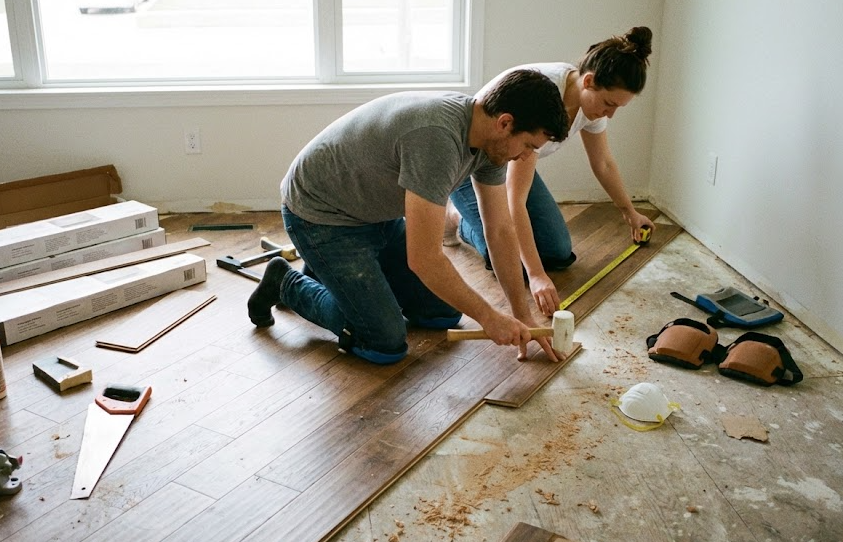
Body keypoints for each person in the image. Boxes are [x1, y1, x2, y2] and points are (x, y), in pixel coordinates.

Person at [247, 69, 568, 365]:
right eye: (528, 145)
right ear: (505, 123)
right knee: (383, 343)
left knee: (441, 314)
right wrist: (489, 317)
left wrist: (520, 314)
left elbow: (498, 230)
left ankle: (330, 274)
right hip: (321, 217)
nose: (526, 157)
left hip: (375, 214)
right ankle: (285, 281)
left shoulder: (491, 143)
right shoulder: (437, 139)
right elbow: (425, 259)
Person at [445, 26, 656, 318]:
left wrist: (629, 212)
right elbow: (513, 200)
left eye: (618, 107)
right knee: (507, 259)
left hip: (516, 161)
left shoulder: (589, 104)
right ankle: (456, 218)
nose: (610, 114)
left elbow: (603, 163)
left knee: (557, 251)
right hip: (475, 164)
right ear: (590, 81)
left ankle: (471, 220)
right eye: (609, 104)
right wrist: (535, 275)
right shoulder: (544, 95)